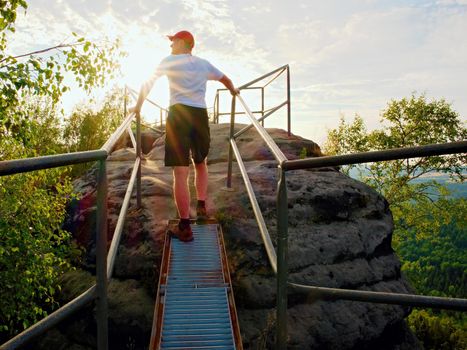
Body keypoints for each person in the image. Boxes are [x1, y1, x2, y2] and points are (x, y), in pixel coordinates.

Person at [131, 30, 239, 242]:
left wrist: (137, 107)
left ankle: (185, 227)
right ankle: (201, 207)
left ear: (182, 42)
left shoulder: (169, 61)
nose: (170, 45)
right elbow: (225, 79)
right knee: (201, 163)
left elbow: (148, 83)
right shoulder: (203, 63)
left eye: (172, 42)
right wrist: (234, 90)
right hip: (199, 115)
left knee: (180, 173)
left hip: (179, 115)